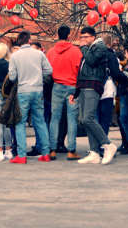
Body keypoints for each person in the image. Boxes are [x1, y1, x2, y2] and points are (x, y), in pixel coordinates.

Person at [72, 29, 126, 165]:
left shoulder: (99, 47)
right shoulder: (90, 48)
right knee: (84, 120)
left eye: (86, 37)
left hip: (93, 85)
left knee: (88, 118)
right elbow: (82, 71)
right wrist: (76, 92)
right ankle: (94, 152)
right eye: (81, 36)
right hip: (84, 86)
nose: (83, 39)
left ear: (93, 37)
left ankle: (107, 145)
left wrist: (83, 47)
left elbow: (91, 61)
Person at [7, 32, 53, 164]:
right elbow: (49, 70)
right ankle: (45, 153)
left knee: (20, 123)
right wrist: (38, 76)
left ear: (19, 41)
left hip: (23, 91)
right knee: (40, 121)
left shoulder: (15, 56)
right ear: (29, 40)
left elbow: (12, 77)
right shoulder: (39, 54)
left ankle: (21, 155)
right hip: (38, 90)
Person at [45, 26, 83, 161]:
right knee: (71, 119)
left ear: (58, 35)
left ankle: (52, 150)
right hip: (72, 87)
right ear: (69, 35)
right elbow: (81, 71)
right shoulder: (76, 51)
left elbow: (47, 71)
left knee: (54, 118)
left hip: (57, 86)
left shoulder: (51, 52)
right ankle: (71, 150)